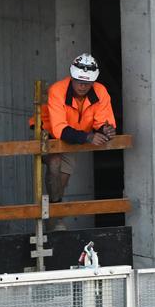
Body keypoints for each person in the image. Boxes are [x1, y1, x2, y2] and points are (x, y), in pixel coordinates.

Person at [40, 53, 117, 204]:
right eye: (79, 81)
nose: (82, 86)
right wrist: (88, 137)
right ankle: (54, 213)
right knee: (54, 162)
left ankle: (55, 208)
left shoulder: (100, 91)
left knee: (61, 183)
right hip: (49, 133)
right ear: (72, 78)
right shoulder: (57, 90)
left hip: (74, 136)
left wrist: (105, 130)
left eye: (87, 83)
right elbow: (59, 129)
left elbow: (103, 122)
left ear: (93, 82)